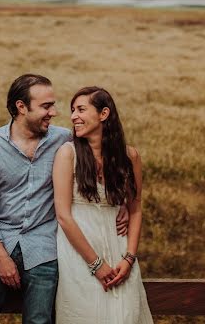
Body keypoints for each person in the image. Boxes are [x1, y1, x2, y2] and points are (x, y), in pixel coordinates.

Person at [0, 74, 127, 324]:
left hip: (45, 249)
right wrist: (0, 256)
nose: (54, 112)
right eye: (46, 106)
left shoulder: (65, 140)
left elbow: (107, 156)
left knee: (40, 322)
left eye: (53, 105)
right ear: (21, 107)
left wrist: (122, 204)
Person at [53, 86, 152, 324]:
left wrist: (129, 258)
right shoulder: (68, 154)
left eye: (81, 109)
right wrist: (96, 264)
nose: (74, 116)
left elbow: (136, 207)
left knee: (125, 315)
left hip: (119, 249)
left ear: (104, 114)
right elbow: (64, 216)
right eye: (72, 110)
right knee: (85, 313)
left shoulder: (129, 157)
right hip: (79, 250)